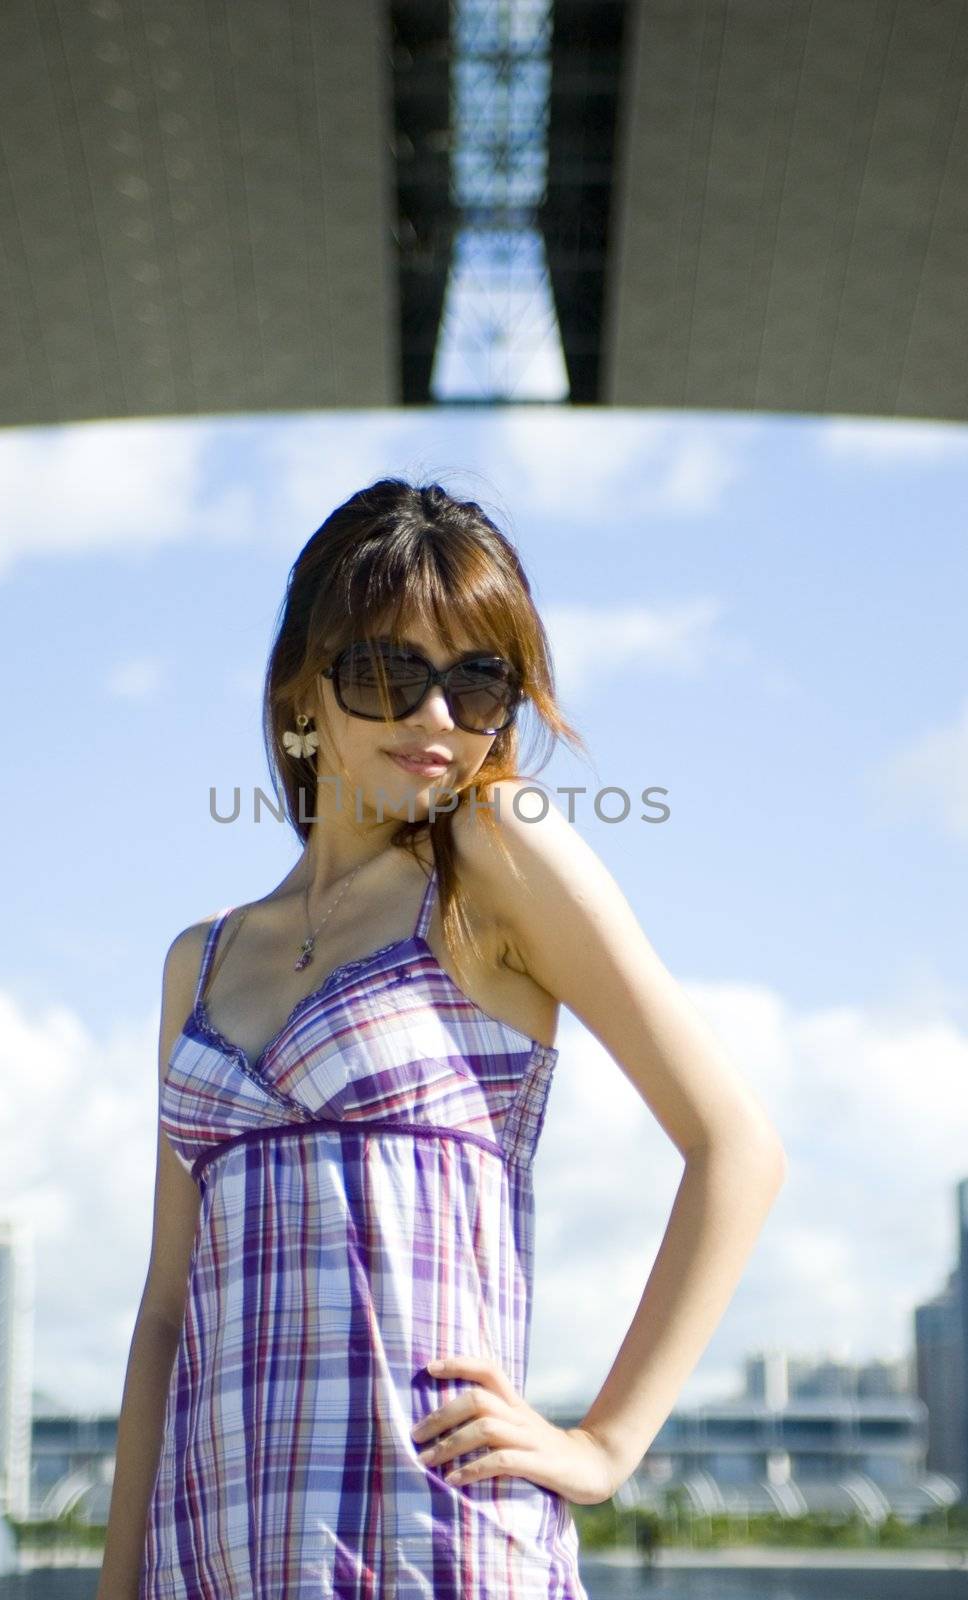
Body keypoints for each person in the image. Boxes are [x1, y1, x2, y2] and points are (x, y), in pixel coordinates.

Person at [96, 478, 787, 1599]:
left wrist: (602, 1446)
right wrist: (117, 1583)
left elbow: (736, 1145)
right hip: (211, 1552)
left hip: (433, 1543)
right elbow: (167, 1308)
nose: (433, 721)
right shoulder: (201, 958)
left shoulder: (491, 856)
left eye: (475, 683)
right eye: (385, 673)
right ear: (300, 690)